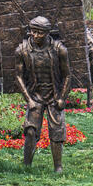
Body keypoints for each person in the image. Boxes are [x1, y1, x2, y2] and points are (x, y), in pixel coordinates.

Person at [15, 16, 71, 173]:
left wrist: (62, 97)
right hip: (35, 96)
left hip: (54, 95)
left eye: (39, 32)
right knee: (31, 130)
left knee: (57, 131)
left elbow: (67, 75)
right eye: (32, 31)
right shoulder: (22, 50)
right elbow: (18, 76)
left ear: (47, 33)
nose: (35, 35)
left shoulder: (59, 49)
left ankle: (58, 166)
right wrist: (28, 99)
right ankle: (26, 165)